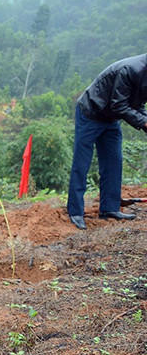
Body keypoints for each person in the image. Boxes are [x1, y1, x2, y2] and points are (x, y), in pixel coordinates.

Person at [67, 54, 147, 230]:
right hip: (90, 113)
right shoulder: (130, 70)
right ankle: (75, 211)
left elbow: (138, 105)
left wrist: (145, 121)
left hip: (111, 119)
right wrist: (144, 122)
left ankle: (109, 209)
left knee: (114, 162)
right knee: (82, 164)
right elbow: (119, 104)